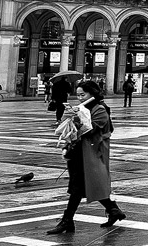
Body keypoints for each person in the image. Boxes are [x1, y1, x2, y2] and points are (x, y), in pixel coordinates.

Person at [49, 79, 126, 234]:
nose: (80, 98)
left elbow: (92, 130)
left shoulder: (100, 109)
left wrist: (79, 120)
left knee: (78, 187)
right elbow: (70, 131)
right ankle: (113, 210)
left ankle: (67, 220)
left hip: (90, 153)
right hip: (78, 151)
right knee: (85, 185)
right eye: (77, 95)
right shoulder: (80, 108)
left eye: (83, 94)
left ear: (92, 93)